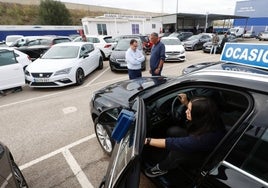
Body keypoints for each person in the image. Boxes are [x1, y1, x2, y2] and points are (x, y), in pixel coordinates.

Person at [144, 97, 226, 178]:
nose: (186, 111)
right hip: (203, 145)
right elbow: (198, 112)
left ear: (198, 115)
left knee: (176, 153)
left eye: (189, 111)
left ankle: (160, 168)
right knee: (173, 131)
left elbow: (172, 143)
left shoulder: (202, 139)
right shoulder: (211, 118)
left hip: (203, 157)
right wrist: (186, 103)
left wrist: (146, 140)